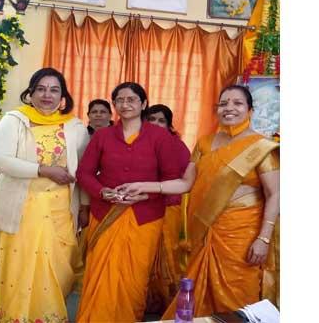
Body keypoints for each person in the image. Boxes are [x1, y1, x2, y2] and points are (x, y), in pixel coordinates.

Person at [117, 85, 280, 318]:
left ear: (250, 110)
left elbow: (275, 194)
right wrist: (145, 185)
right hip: (204, 230)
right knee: (196, 290)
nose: (229, 108)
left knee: (239, 292)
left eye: (237, 103)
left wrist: (263, 238)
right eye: (223, 104)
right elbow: (185, 183)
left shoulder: (261, 147)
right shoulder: (205, 143)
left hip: (242, 234)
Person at [75, 82, 189, 323]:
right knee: (100, 275)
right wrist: (102, 191)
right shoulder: (103, 136)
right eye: (120, 100)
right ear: (114, 105)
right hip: (105, 213)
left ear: (143, 104)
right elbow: (84, 173)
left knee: (133, 278)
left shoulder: (159, 137)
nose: (125, 104)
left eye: (131, 100)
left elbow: (171, 179)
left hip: (145, 218)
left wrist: (146, 194)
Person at [0, 67, 90, 323]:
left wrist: (84, 206)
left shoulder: (74, 127)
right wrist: (43, 170)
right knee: (22, 269)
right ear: (31, 92)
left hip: (62, 210)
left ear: (63, 95)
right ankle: (17, 318)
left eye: (54, 89)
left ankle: (50, 318)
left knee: (58, 270)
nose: (48, 95)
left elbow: (85, 170)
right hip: (23, 208)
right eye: (41, 89)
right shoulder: (15, 120)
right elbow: (0, 160)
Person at [143, 104, 191, 314]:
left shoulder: (177, 147)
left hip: (169, 206)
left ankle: (168, 302)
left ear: (169, 125)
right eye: (151, 119)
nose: (155, 124)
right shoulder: (137, 142)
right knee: (144, 254)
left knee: (167, 254)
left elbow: (183, 179)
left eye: (161, 121)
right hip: (142, 206)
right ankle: (144, 299)